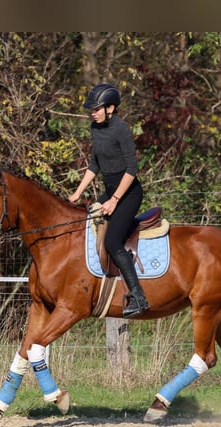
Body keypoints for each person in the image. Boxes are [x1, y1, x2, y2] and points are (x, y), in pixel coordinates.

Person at [68, 83, 150, 318]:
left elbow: (132, 169)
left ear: (110, 108)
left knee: (113, 241)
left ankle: (138, 295)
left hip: (128, 193)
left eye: (96, 108)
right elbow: (94, 165)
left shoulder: (121, 129)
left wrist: (114, 200)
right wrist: (77, 193)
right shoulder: (95, 128)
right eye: (91, 109)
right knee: (85, 222)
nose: (92, 113)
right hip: (110, 190)